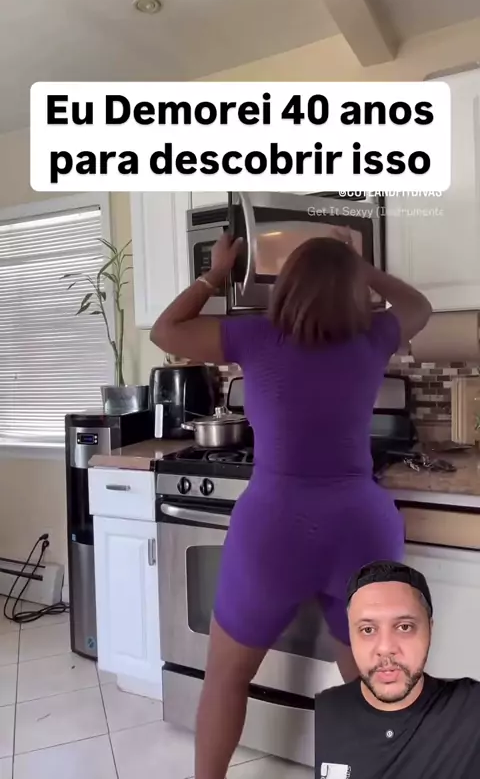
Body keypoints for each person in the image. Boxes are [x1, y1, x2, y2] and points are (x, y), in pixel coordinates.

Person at [150, 228, 432, 779]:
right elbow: (419, 305)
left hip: (273, 528)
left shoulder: (256, 336)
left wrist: (215, 274)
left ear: (287, 287)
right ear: (353, 290)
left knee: (227, 677)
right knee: (374, 688)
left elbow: (166, 331)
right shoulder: (374, 337)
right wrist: (362, 268)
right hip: (360, 529)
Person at [315, 560, 480, 778]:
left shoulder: (471, 712)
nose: (385, 648)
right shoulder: (321, 715)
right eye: (367, 629)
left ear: (430, 630)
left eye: (404, 627)